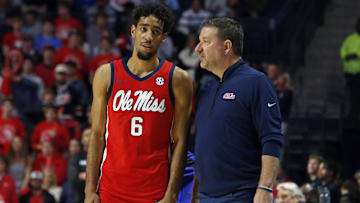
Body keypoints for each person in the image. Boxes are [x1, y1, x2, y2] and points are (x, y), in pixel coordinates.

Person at [84, 3, 193, 203]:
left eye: (156, 31)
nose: (148, 36)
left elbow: (180, 141)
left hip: (154, 190)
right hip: (111, 188)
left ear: (164, 37)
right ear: (133, 31)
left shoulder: (178, 79)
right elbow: (97, 134)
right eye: (143, 29)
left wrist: (172, 193)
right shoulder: (106, 74)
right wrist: (90, 190)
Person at [192, 17, 283, 203]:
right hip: (206, 196)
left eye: (206, 42)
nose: (197, 48)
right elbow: (203, 145)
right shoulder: (207, 89)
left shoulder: (256, 82)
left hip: (241, 194)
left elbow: (271, 138)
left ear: (226, 47)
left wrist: (265, 187)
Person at [340, 18, 360, 122]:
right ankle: (353, 114)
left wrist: (356, 55)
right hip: (349, 72)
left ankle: (355, 114)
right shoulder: (350, 38)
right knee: (353, 94)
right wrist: (345, 56)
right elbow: (343, 49)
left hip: (358, 72)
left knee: (356, 94)